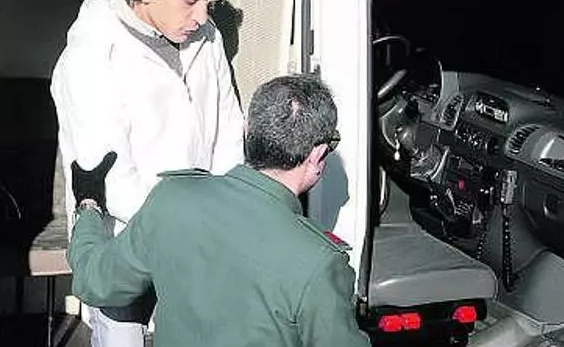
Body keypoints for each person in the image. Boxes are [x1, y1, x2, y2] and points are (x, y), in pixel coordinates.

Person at [67, 74, 371, 347]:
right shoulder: (320, 262)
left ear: (247, 130)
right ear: (318, 155)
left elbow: (96, 282)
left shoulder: (171, 199)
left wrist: (89, 205)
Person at [50, 0, 244, 346]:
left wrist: (220, 220)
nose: (203, 16)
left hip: (196, 239)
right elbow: (107, 175)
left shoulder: (207, 38)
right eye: (191, 0)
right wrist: (186, 231)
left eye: (209, 0)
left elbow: (229, 133)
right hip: (126, 244)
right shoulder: (93, 53)